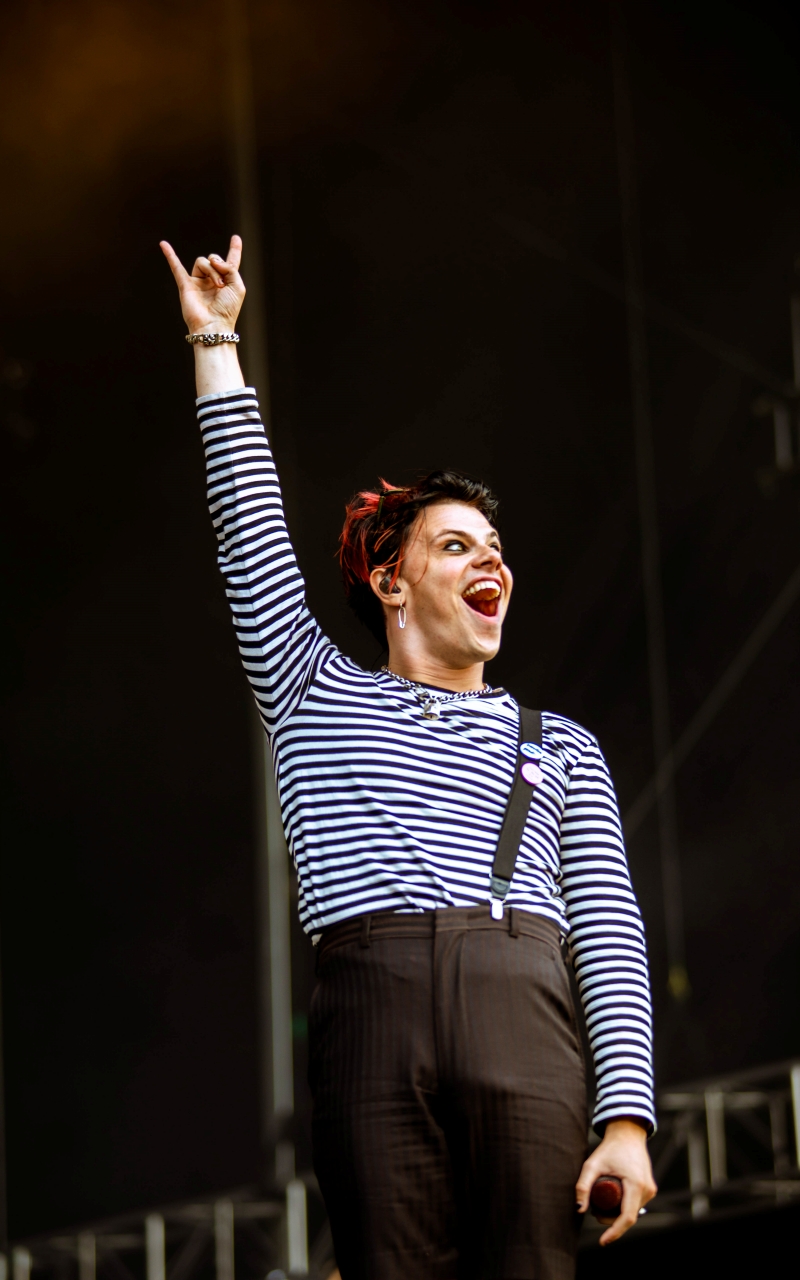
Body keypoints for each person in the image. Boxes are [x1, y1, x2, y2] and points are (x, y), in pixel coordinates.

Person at [161, 234, 657, 1280]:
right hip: (369, 1005)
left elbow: (609, 929)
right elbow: (248, 528)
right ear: (391, 583)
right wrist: (216, 344)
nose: (492, 562)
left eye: (496, 549)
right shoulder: (312, 690)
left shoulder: (561, 744)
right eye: (456, 545)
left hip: (521, 1003)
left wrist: (625, 1120)